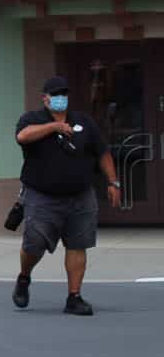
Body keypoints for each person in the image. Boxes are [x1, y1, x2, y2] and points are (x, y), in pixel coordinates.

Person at [13, 75, 120, 316]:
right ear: (45, 98)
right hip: (42, 196)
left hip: (80, 196)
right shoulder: (32, 119)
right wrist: (54, 127)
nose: (61, 99)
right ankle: (24, 277)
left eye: (64, 94)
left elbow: (102, 152)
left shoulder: (84, 122)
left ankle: (74, 297)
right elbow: (22, 136)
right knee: (34, 244)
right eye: (56, 94)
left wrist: (113, 182)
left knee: (78, 245)